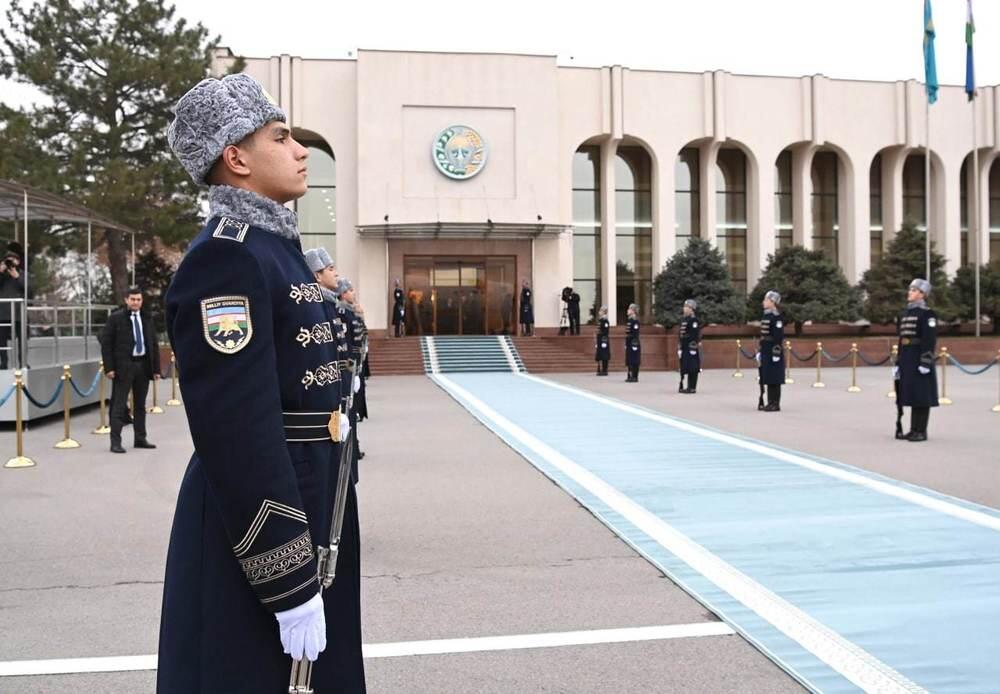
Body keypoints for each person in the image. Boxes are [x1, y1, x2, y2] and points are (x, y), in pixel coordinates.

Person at [160, 73, 365, 693]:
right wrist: (287, 579)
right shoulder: (227, 256)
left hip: (314, 498)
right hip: (260, 527)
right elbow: (237, 430)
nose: (302, 150)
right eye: (283, 137)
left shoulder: (280, 249)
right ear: (237, 157)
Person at [100, 286, 160, 453]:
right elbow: (107, 344)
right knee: (119, 405)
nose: (136, 302)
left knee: (140, 405)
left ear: (142, 301)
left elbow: (153, 344)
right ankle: (115, 442)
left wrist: (156, 369)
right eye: (132, 299)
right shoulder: (116, 319)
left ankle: (140, 438)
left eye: (138, 299)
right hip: (123, 368)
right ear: (126, 300)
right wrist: (109, 367)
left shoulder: (147, 319)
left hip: (142, 366)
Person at [895, 278, 938, 442]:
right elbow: (902, 339)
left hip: (919, 358)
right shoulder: (907, 313)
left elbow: (929, 339)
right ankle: (913, 429)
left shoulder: (927, 314)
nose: (909, 292)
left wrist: (925, 362)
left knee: (922, 395)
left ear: (922, 294)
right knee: (912, 394)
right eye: (910, 290)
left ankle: (921, 431)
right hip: (907, 358)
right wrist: (898, 361)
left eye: (913, 290)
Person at [757, 290, 785, 412]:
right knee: (767, 377)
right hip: (766, 350)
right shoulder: (766, 315)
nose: (764, 302)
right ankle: (770, 402)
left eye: (766, 300)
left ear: (772, 302)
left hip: (773, 351)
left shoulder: (776, 317)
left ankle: (775, 403)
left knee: (775, 378)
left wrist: (776, 352)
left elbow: (778, 336)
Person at [0, 245, 25, 369]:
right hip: (2, 313)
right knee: (1, 340)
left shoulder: (23, 275)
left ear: (18, 262)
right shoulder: (1, 276)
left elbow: (29, 290)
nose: (10, 262)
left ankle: (23, 363)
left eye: (13, 259)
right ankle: (3, 363)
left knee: (21, 341)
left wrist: (17, 277)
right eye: (8, 260)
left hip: (19, 314)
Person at [678, 299, 701, 394]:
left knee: (693, 367)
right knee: (686, 366)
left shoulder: (693, 320)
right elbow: (681, 334)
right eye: (684, 307)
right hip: (685, 347)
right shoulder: (685, 319)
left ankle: (692, 387)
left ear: (691, 309)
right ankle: (687, 386)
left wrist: (686, 342)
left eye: (686, 307)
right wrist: (680, 345)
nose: (684, 309)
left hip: (691, 347)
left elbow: (693, 335)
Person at [625, 303, 641, 382]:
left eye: (629, 309)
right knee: (629, 359)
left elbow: (635, 334)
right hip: (629, 342)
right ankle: (630, 375)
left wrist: (634, 344)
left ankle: (635, 376)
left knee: (634, 359)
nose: (627, 310)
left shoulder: (635, 321)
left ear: (633, 311)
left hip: (634, 343)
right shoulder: (629, 320)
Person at [594, 305, 610, 376]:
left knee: (604, 355)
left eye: (601, 311)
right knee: (600, 354)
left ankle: (605, 370)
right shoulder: (600, 320)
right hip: (600, 339)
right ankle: (600, 369)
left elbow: (605, 332)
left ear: (604, 312)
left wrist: (603, 340)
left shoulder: (605, 321)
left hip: (604, 340)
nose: (599, 312)